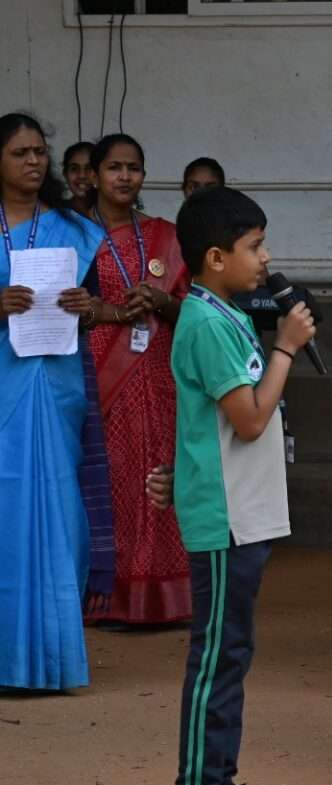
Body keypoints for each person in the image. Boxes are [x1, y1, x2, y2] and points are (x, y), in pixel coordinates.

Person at [160, 186, 315, 785]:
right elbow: (248, 419)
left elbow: (205, 423)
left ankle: (217, 784)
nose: (266, 258)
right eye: (255, 246)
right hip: (227, 516)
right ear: (215, 257)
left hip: (242, 510)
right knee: (218, 658)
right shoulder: (205, 321)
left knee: (231, 652)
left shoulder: (223, 316)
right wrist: (287, 347)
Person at [0, 112, 114, 692]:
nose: (33, 161)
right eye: (20, 152)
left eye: (39, 152)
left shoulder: (71, 227)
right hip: (5, 386)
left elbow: (95, 306)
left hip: (56, 387)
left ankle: (51, 660)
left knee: (59, 513)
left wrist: (86, 308)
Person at [84, 133, 193, 628]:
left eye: (134, 168)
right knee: (110, 482)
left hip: (158, 377)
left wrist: (161, 301)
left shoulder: (166, 237)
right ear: (94, 175)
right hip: (100, 379)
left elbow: (195, 309)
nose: (125, 176)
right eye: (114, 167)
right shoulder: (74, 235)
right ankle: (109, 599)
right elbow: (60, 306)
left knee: (159, 478)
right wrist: (108, 312)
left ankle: (163, 601)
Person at [63, 140, 95, 216]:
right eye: (74, 169)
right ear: (65, 174)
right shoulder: (58, 213)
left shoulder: (112, 212)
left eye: (89, 168)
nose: (82, 175)